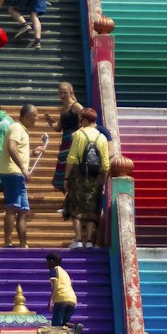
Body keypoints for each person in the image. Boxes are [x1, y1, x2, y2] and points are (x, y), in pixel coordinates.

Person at [64, 106, 109, 247]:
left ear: (84, 120)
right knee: (92, 209)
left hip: (78, 175)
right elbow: (106, 163)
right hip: (95, 177)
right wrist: (104, 180)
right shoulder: (101, 137)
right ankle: (89, 240)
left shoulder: (78, 135)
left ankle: (77, 239)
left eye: (80, 119)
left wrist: (66, 177)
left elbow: (71, 158)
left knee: (75, 207)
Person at [0, 101, 36, 247]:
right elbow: (11, 147)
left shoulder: (22, 130)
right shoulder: (16, 127)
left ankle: (23, 244)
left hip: (17, 173)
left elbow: (18, 150)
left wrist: (33, 152)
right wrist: (23, 168)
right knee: (12, 207)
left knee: (22, 210)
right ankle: (8, 242)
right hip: (12, 172)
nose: (37, 119)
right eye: (35, 116)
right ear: (27, 115)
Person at [51, 82, 84, 197]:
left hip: (74, 140)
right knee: (62, 169)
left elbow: (85, 121)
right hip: (65, 141)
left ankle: (71, 200)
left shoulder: (76, 106)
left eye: (65, 93)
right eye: (60, 93)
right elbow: (58, 128)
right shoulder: (63, 109)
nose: (62, 95)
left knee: (70, 168)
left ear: (71, 92)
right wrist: (51, 122)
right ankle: (68, 199)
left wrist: (77, 132)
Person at [46, 253, 78, 331]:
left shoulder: (54, 270)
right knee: (64, 323)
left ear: (52, 261)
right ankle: (75, 327)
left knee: (56, 325)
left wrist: (51, 300)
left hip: (61, 299)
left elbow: (55, 284)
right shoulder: (65, 272)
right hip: (72, 300)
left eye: (47, 262)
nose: (47, 265)